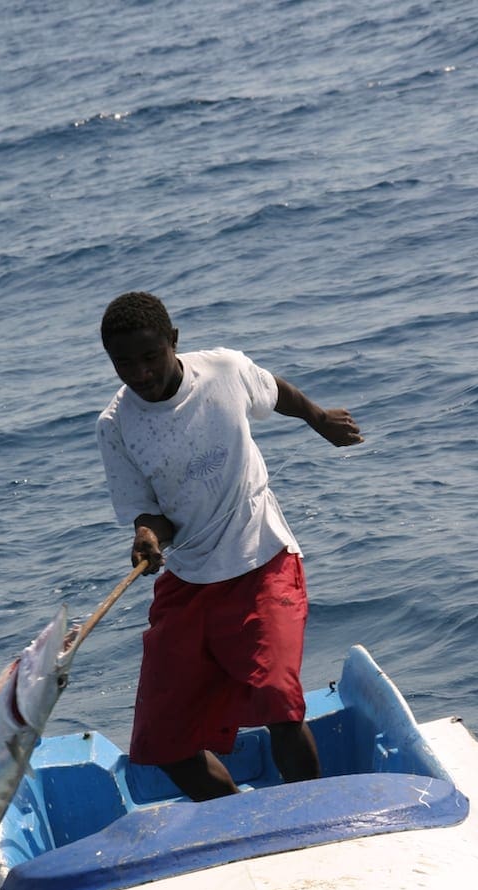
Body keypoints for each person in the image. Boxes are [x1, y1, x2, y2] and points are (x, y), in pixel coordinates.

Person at [96, 291, 363, 802]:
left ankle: (311, 818)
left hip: (263, 560)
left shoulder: (223, 371)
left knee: (278, 704)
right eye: (124, 364)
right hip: (191, 580)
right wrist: (147, 538)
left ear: (174, 342)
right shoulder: (115, 427)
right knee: (164, 745)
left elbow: (273, 392)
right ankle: (241, 818)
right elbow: (150, 514)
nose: (141, 373)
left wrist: (318, 418)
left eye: (151, 357)